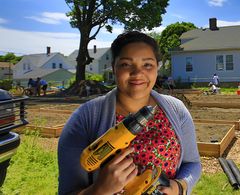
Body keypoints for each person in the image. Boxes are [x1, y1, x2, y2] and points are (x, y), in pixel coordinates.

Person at [58, 31, 201, 195]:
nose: (137, 73)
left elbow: (192, 164)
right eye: (126, 64)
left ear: (157, 68)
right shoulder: (85, 118)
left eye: (147, 65)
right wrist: (99, 190)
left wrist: (179, 187)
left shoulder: (176, 110)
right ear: (114, 68)